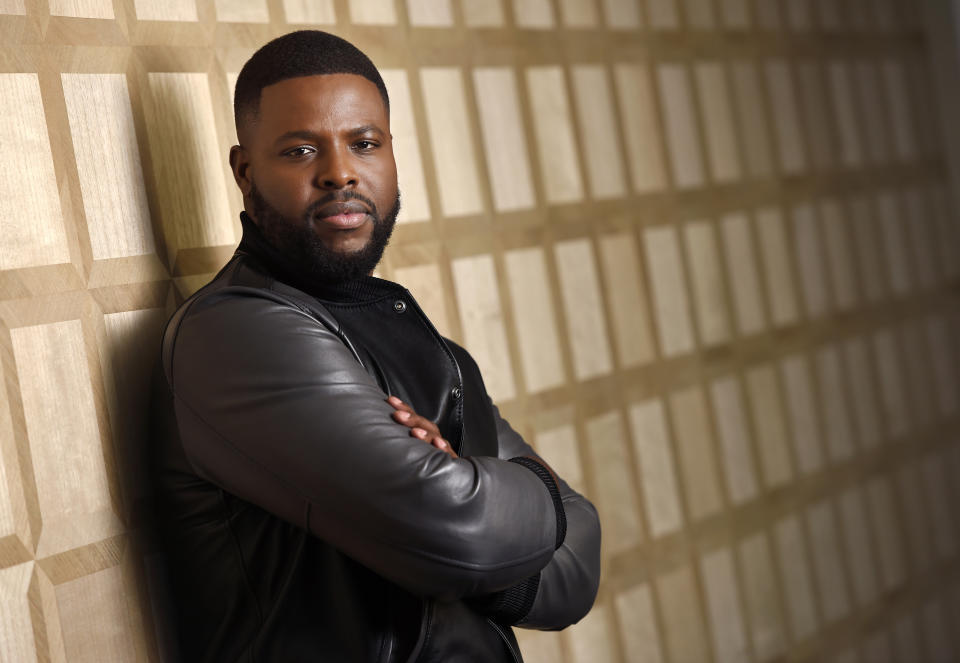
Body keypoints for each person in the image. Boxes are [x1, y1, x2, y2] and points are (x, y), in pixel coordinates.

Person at [152, 29, 601, 662]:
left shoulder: (426, 347)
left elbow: (578, 570)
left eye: (364, 143)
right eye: (301, 149)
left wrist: (474, 495)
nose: (339, 172)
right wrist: (527, 488)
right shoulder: (236, 333)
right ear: (245, 172)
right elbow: (469, 533)